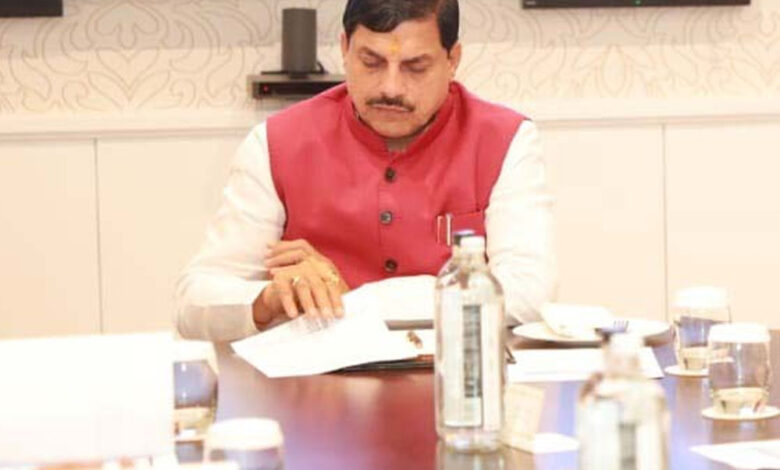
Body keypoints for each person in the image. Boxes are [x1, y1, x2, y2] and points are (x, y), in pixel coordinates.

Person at [175, 0, 556, 341]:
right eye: (371, 63)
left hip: (455, 380)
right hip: (314, 387)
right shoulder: (275, 143)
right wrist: (269, 298)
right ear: (345, 49)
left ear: (452, 60)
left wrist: (352, 301)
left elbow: (528, 294)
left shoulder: (505, 139)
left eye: (415, 67)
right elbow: (193, 303)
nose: (390, 88)